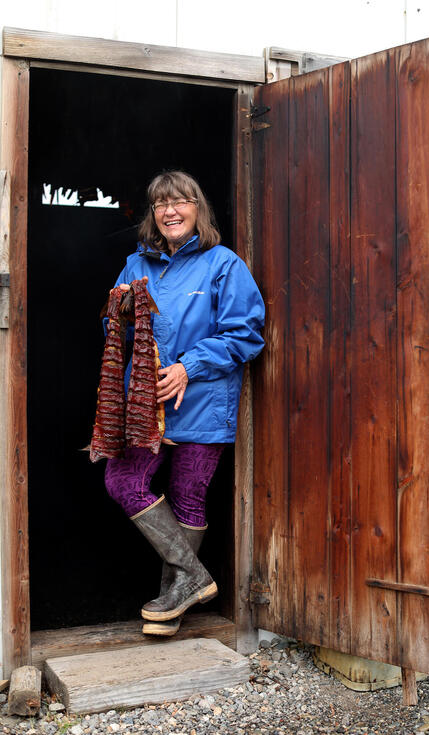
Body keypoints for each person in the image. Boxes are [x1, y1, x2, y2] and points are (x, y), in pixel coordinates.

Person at [103, 170, 265, 636]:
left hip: (203, 402)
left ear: (198, 209)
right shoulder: (136, 266)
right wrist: (120, 318)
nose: (170, 210)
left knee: (188, 495)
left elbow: (246, 334)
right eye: (160, 204)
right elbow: (115, 335)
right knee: (122, 480)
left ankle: (171, 606)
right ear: (153, 215)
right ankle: (193, 578)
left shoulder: (223, 265)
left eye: (180, 201)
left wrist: (188, 366)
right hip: (145, 404)